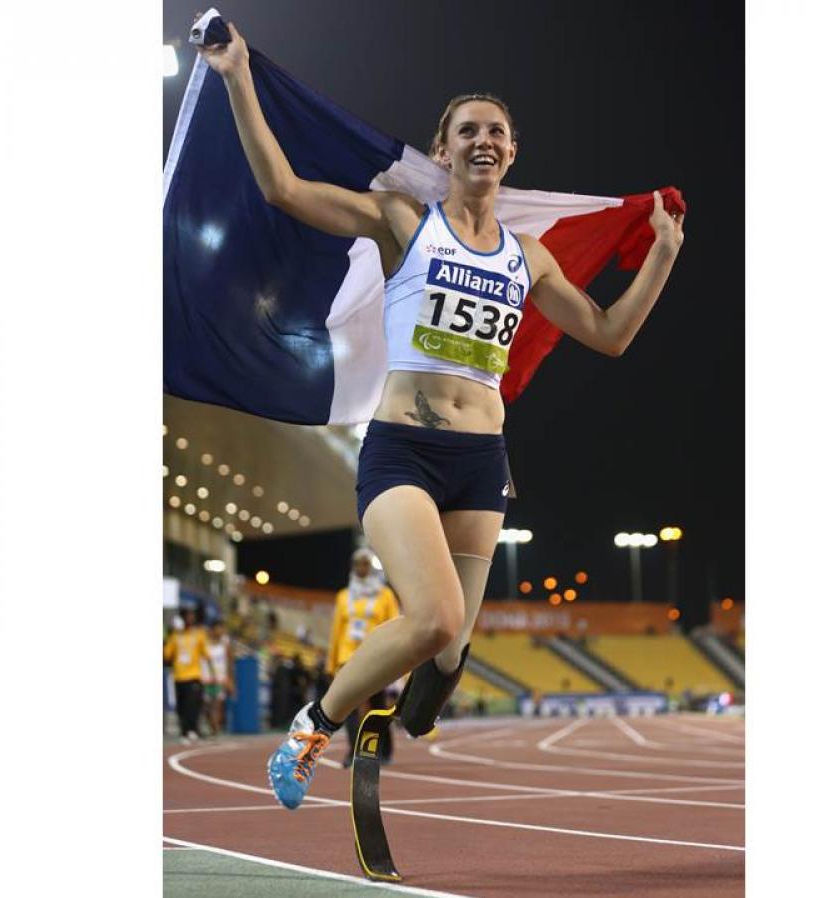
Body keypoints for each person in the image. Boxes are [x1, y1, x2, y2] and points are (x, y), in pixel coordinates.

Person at [198, 22, 685, 810]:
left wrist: (660, 255)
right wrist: (237, 74)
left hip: (482, 461)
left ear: (512, 152)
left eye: (496, 130)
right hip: (403, 452)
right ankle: (311, 727)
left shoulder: (530, 258)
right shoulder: (403, 221)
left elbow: (609, 334)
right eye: (469, 131)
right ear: (445, 149)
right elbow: (283, 190)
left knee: (451, 648)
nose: (483, 140)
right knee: (432, 618)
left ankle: (419, 707)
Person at [327, 549, 401, 767]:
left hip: (375, 655)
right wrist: (331, 664)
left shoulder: (385, 595)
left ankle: (384, 750)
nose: (361, 568)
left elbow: (395, 625)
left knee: (378, 705)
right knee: (349, 706)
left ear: (371, 567)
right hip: (347, 658)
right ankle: (353, 752)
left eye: (365, 564)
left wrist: (395, 659)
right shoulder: (343, 596)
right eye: (358, 564)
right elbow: (336, 631)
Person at [163, 607, 213, 744]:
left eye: (192, 615)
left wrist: (211, 674)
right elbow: (167, 655)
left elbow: (207, 655)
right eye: (188, 615)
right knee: (181, 706)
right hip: (179, 676)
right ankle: (184, 732)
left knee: (193, 705)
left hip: (194, 675)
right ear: (182, 618)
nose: (190, 618)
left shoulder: (199, 634)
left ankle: (193, 730)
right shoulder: (175, 636)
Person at [203, 620, 234, 737]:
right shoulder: (205, 642)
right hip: (206, 677)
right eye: (219, 628)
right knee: (206, 706)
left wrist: (230, 679)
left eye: (222, 629)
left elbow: (230, 662)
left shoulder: (225, 644)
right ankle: (212, 725)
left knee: (217, 705)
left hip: (220, 678)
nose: (221, 631)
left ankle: (215, 729)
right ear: (212, 629)